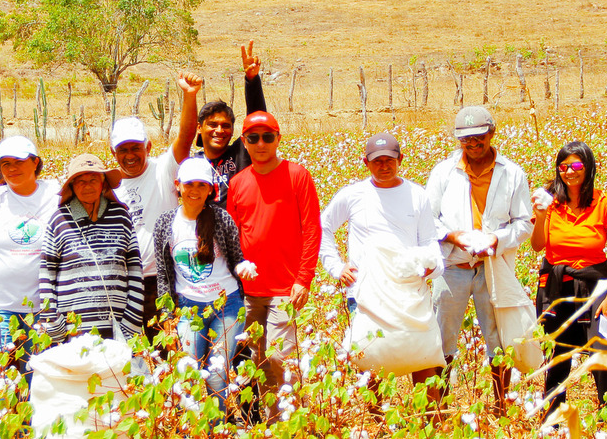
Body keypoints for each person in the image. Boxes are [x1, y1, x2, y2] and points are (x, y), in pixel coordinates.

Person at [319, 132, 445, 401]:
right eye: (377, 161)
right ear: (366, 163)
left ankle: (430, 419)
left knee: (422, 355)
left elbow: (431, 242)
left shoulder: (417, 195)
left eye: (389, 160)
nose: (384, 166)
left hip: (409, 291)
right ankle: (376, 422)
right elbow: (323, 227)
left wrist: (431, 268)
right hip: (365, 291)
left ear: (401, 159)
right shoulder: (353, 195)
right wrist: (336, 267)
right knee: (370, 356)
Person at [425, 106, 534, 413]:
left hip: (492, 267)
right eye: (466, 140)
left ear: (492, 134)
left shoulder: (512, 173)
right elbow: (427, 220)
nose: (473, 145)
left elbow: (524, 223)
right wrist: (453, 237)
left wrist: (496, 240)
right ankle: (440, 407)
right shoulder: (443, 172)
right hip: (453, 266)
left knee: (498, 336)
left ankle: (501, 405)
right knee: (443, 337)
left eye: (479, 138)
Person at [227, 110, 322, 412]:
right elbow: (232, 234)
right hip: (250, 289)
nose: (261, 143)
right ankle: (275, 423)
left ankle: (292, 417)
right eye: (253, 138)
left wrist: (303, 278)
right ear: (244, 142)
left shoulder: (297, 175)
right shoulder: (238, 182)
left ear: (278, 138)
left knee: (282, 356)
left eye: (268, 137)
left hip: (286, 286)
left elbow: (311, 229)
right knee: (259, 358)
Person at [530, 141, 607, 424]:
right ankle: (553, 419)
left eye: (576, 166)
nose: (569, 172)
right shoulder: (549, 201)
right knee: (558, 353)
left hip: (595, 284)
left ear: (588, 168)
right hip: (555, 285)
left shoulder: (604, 202)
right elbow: (537, 246)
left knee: (601, 350)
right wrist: (542, 216)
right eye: (564, 167)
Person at [0, 136, 58, 410]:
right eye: (5, 163)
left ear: (35, 163)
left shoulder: (55, 195)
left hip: (41, 310)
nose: (11, 169)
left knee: (40, 377)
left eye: (18, 162)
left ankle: (34, 436)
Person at [109, 73, 199, 341]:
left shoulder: (163, 169)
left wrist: (189, 95)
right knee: (131, 356)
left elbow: (185, 137)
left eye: (135, 147)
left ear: (148, 146)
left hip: (165, 279)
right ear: (113, 153)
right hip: (124, 285)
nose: (129, 155)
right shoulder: (108, 187)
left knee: (170, 350)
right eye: (122, 150)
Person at [152, 158, 246, 408]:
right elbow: (164, 275)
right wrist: (167, 317)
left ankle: (217, 435)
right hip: (187, 308)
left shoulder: (221, 219)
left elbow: (237, 258)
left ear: (210, 189)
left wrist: (244, 267)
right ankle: (194, 436)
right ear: (178, 185)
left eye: (201, 185)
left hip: (227, 305)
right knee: (189, 374)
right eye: (189, 184)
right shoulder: (165, 223)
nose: (194, 191)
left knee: (216, 375)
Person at [38, 154, 145, 345]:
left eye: (93, 179)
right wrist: (54, 322)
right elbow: (47, 273)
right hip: (72, 330)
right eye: (80, 181)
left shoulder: (121, 217)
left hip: (118, 326)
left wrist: (132, 319)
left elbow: (135, 269)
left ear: (103, 183)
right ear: (71, 186)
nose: (87, 185)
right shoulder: (59, 219)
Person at [194, 41, 268, 208]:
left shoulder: (241, 154)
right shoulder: (193, 163)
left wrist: (252, 80)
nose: (219, 131)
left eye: (226, 125)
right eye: (212, 124)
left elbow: (258, 121)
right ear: (199, 127)